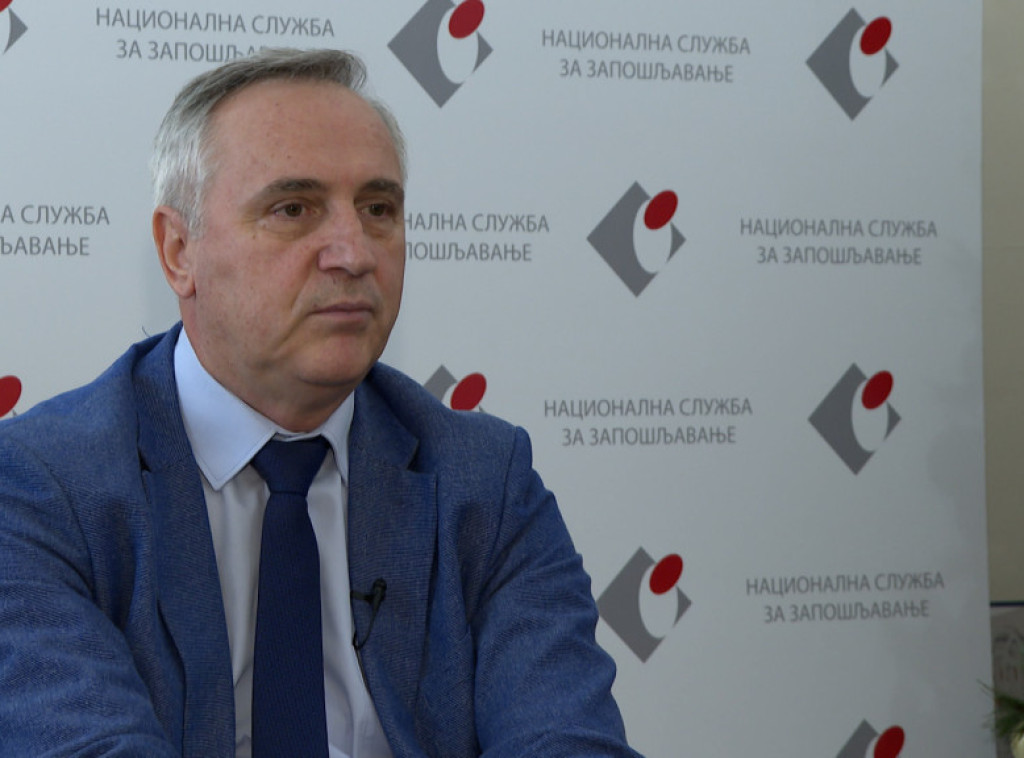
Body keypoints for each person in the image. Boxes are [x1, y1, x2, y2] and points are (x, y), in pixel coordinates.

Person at [0, 48, 642, 757]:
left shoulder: (485, 483)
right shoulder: (38, 489)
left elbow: (568, 741)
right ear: (179, 250)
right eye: (293, 209)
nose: (354, 253)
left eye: (378, 209)